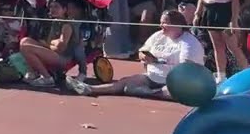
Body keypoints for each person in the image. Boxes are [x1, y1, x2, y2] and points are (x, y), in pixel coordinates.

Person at [68, 10, 204, 99]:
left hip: (175, 81)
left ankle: (152, 93)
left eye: (165, 22)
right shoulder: (158, 36)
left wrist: (159, 61)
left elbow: (186, 69)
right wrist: (143, 56)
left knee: (171, 91)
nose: (161, 25)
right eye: (161, 22)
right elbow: (142, 50)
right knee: (125, 83)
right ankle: (89, 89)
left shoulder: (188, 42)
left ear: (177, 24)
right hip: (152, 77)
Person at [196, 0, 249, 82]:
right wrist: (198, 11)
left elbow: (235, 1)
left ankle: (248, 74)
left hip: (224, 11)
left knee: (233, 47)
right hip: (210, 11)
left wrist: (234, 20)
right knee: (217, 46)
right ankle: (221, 76)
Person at [18, 0, 81, 88]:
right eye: (51, 7)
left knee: (27, 48)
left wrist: (50, 44)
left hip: (63, 58)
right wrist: (52, 43)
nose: (52, 9)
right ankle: (33, 72)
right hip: (53, 52)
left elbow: (61, 47)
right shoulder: (54, 22)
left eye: (56, 7)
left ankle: (47, 78)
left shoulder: (66, 25)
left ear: (64, 10)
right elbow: (51, 43)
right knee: (25, 41)